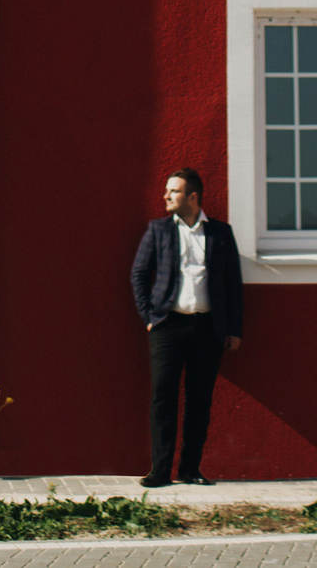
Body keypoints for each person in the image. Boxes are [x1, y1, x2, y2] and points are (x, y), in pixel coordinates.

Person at [128, 167, 243, 488]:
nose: (166, 196)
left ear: (193, 197)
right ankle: (160, 470)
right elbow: (139, 274)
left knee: (200, 400)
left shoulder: (220, 233)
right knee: (162, 398)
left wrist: (234, 328)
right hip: (168, 326)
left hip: (208, 328)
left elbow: (233, 283)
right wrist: (149, 317)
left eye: (174, 191)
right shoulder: (158, 230)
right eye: (167, 191)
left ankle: (190, 469)